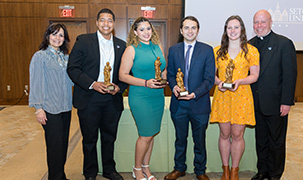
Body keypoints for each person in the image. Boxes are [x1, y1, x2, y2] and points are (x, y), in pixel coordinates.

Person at [67, 8, 127, 180]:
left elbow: (125, 73)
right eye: (102, 20)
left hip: (112, 99)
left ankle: (109, 170)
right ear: (97, 22)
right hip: (89, 98)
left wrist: (119, 87)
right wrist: (93, 84)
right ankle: (90, 172)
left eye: (109, 20)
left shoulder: (121, 45)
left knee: (109, 137)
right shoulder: (84, 41)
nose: (106, 23)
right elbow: (72, 68)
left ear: (114, 24)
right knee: (89, 139)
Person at [209, 15, 260, 180]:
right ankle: (225, 169)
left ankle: (235, 170)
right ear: (225, 30)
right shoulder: (217, 50)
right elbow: (211, 75)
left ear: (242, 29)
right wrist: (219, 83)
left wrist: (241, 81)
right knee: (224, 134)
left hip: (242, 96)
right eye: (229, 27)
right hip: (223, 96)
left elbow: (254, 75)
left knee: (238, 135)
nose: (232, 31)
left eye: (236, 27)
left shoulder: (251, 50)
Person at [165, 16, 215, 180]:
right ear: (181, 31)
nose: (190, 31)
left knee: (199, 140)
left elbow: (209, 79)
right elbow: (171, 75)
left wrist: (194, 94)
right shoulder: (173, 50)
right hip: (179, 104)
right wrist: (174, 87)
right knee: (180, 139)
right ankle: (179, 168)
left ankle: (200, 171)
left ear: (198, 30)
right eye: (186, 28)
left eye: (193, 27)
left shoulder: (207, 50)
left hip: (199, 104)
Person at [249, 10, 297, 180]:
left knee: (276, 142)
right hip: (255, 103)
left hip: (276, 103)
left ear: (270, 22)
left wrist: (286, 102)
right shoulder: (249, 44)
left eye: (262, 22)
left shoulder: (284, 44)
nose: (259, 26)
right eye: (256, 22)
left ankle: (275, 174)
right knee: (261, 140)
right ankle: (262, 171)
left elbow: (290, 76)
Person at [119, 17, 167, 180]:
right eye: (142, 29)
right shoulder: (132, 49)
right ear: (135, 32)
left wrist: (164, 80)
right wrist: (146, 83)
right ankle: (137, 168)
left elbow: (163, 68)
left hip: (157, 96)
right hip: (141, 96)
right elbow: (123, 75)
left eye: (148, 29)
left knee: (152, 133)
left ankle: (146, 168)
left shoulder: (157, 46)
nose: (146, 32)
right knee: (145, 135)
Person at [29, 23, 73, 180]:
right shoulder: (40, 56)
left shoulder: (66, 58)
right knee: (54, 147)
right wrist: (38, 108)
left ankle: (60, 175)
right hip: (49, 109)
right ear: (47, 36)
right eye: (54, 34)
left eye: (61, 35)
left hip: (66, 107)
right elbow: (36, 83)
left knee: (62, 145)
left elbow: (72, 80)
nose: (57, 38)